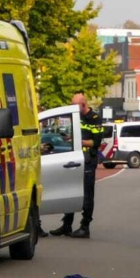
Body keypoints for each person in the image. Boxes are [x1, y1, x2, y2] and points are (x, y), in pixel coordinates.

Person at [49, 93, 104, 239]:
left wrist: (78, 141)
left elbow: (96, 142)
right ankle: (67, 225)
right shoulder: (75, 116)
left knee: (87, 194)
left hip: (87, 160)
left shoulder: (95, 119)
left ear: (83, 105)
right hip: (74, 159)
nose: (73, 107)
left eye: (75, 105)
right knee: (70, 191)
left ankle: (85, 227)